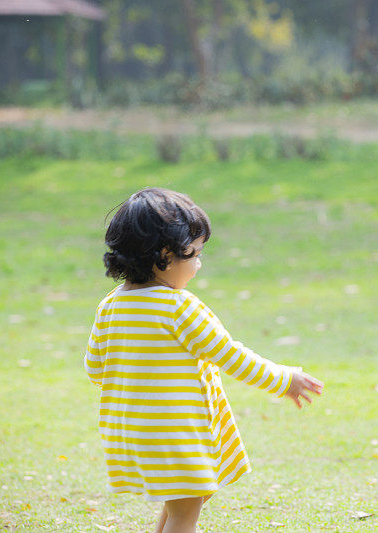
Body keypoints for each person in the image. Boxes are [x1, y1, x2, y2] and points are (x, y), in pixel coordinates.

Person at [84, 188, 324, 533]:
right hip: (174, 432)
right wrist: (284, 379)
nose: (198, 264)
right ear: (165, 255)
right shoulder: (178, 307)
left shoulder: (109, 306)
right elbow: (231, 356)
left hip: (134, 431)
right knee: (185, 511)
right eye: (194, 255)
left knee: (185, 499)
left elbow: (94, 369)